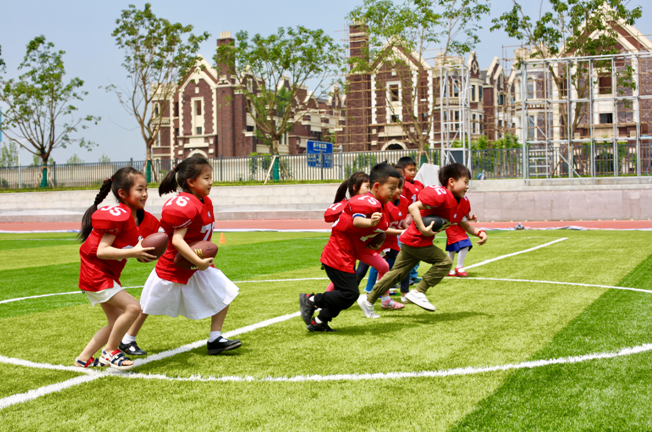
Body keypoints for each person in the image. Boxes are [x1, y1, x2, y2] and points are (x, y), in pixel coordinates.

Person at [139, 156, 241, 355]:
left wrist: (200, 261)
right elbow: (177, 241)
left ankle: (215, 339)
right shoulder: (184, 204)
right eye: (206, 178)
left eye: (211, 177)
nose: (211, 182)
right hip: (175, 263)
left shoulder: (205, 201)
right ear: (191, 182)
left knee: (225, 292)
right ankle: (127, 339)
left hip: (195, 260)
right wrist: (199, 262)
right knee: (148, 304)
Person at [358, 163, 488, 317]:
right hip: (416, 240)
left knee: (396, 274)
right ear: (451, 181)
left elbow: (464, 223)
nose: (467, 186)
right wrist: (422, 227)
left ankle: (368, 299)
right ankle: (419, 291)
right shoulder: (440, 194)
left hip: (410, 241)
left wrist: (479, 232)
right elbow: (413, 207)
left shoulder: (462, 201)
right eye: (465, 182)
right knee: (444, 262)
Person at [300, 163, 401, 330]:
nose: (395, 192)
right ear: (376, 186)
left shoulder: (378, 204)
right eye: (391, 188)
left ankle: (319, 322)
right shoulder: (366, 201)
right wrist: (371, 222)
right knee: (350, 294)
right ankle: (311, 300)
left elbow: (372, 231)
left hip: (347, 254)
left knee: (344, 295)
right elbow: (357, 221)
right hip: (337, 254)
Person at [75, 167, 158, 370]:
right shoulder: (118, 215)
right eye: (140, 189)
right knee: (134, 308)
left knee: (115, 323)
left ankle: (83, 358)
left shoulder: (142, 219)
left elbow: (134, 247)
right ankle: (110, 351)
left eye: (146, 188)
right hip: (95, 272)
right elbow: (102, 251)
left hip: (107, 273)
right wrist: (134, 253)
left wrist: (144, 256)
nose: (145, 194)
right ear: (122, 193)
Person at [356, 174, 410, 308]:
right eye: (394, 188)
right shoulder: (375, 203)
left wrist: (413, 228)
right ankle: (340, 294)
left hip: (388, 242)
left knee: (399, 264)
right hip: (372, 243)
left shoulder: (401, 201)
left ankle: (400, 295)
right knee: (360, 272)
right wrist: (403, 232)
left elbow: (402, 220)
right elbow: (382, 228)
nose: (399, 191)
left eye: (399, 187)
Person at [395, 156, 424, 287]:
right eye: (409, 169)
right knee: (405, 249)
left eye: (414, 169)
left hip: (417, 219)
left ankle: (412, 275)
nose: (413, 172)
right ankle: (404, 276)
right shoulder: (401, 185)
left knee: (418, 247)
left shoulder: (419, 184)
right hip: (406, 220)